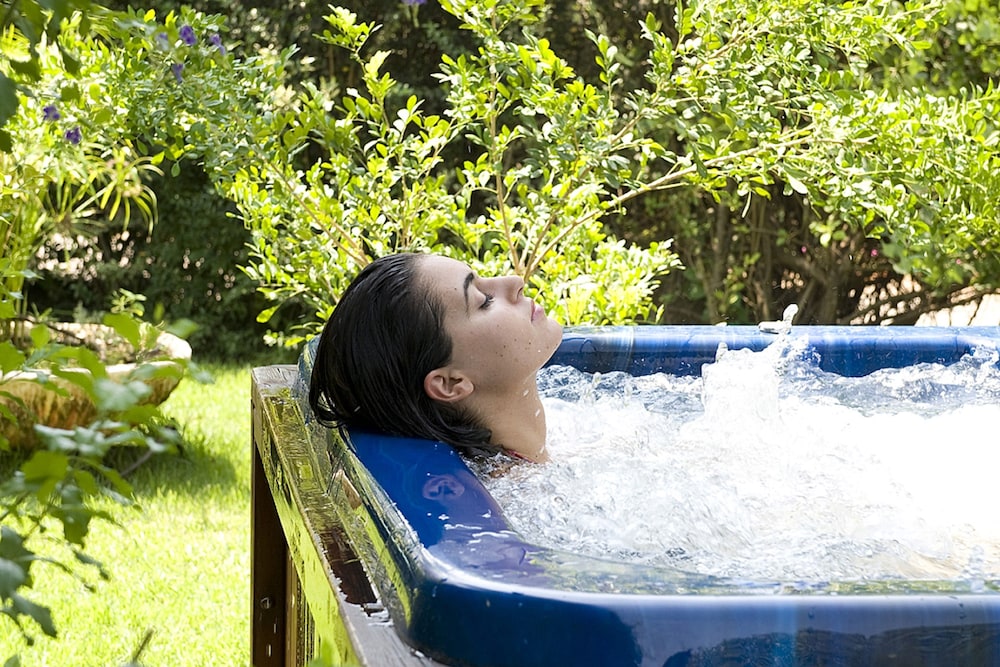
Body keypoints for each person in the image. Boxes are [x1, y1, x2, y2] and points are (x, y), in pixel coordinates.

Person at [309, 253, 564, 463]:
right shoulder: (518, 497)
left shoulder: (558, 443)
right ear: (450, 383)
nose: (515, 281)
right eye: (484, 301)